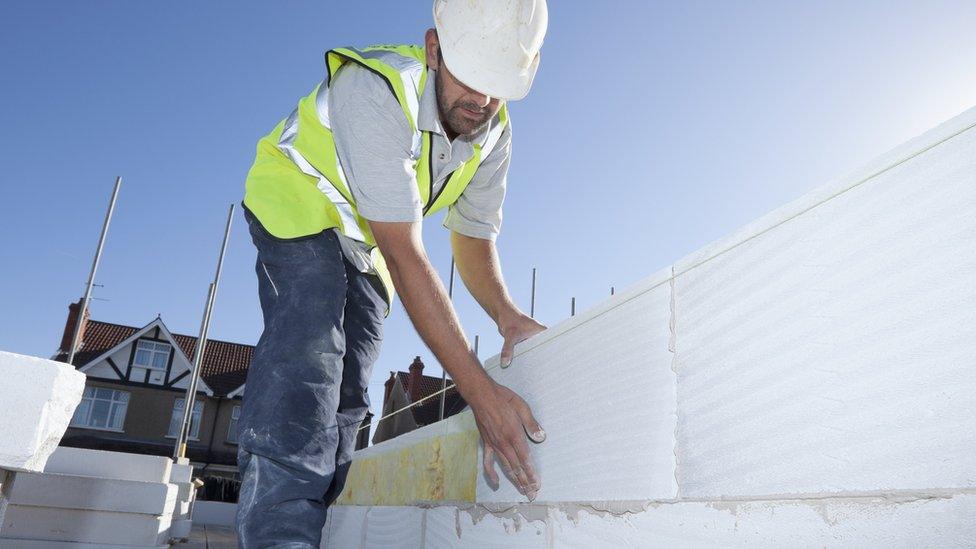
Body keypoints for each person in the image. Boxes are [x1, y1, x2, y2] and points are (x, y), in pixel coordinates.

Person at [235, 0, 550, 545]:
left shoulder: (493, 131)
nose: (481, 102)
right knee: (311, 352)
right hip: (298, 200)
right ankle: (277, 536)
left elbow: (472, 235)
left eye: (497, 88)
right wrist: (479, 393)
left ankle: (306, 522)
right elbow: (407, 254)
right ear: (434, 49)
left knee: (351, 394)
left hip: (368, 241)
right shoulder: (377, 88)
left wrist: (506, 315)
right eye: (469, 79)